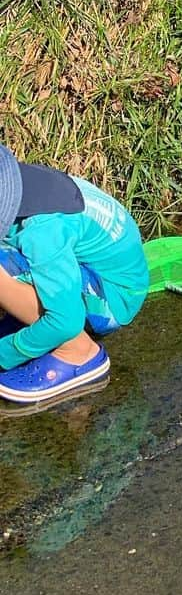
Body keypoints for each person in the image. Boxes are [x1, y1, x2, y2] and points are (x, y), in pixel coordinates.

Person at [0, 145, 148, 407]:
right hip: (90, 269)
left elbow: (65, 322)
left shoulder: (41, 230)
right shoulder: (22, 182)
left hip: (112, 299)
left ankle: (78, 352)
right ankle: (33, 313)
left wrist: (6, 354)